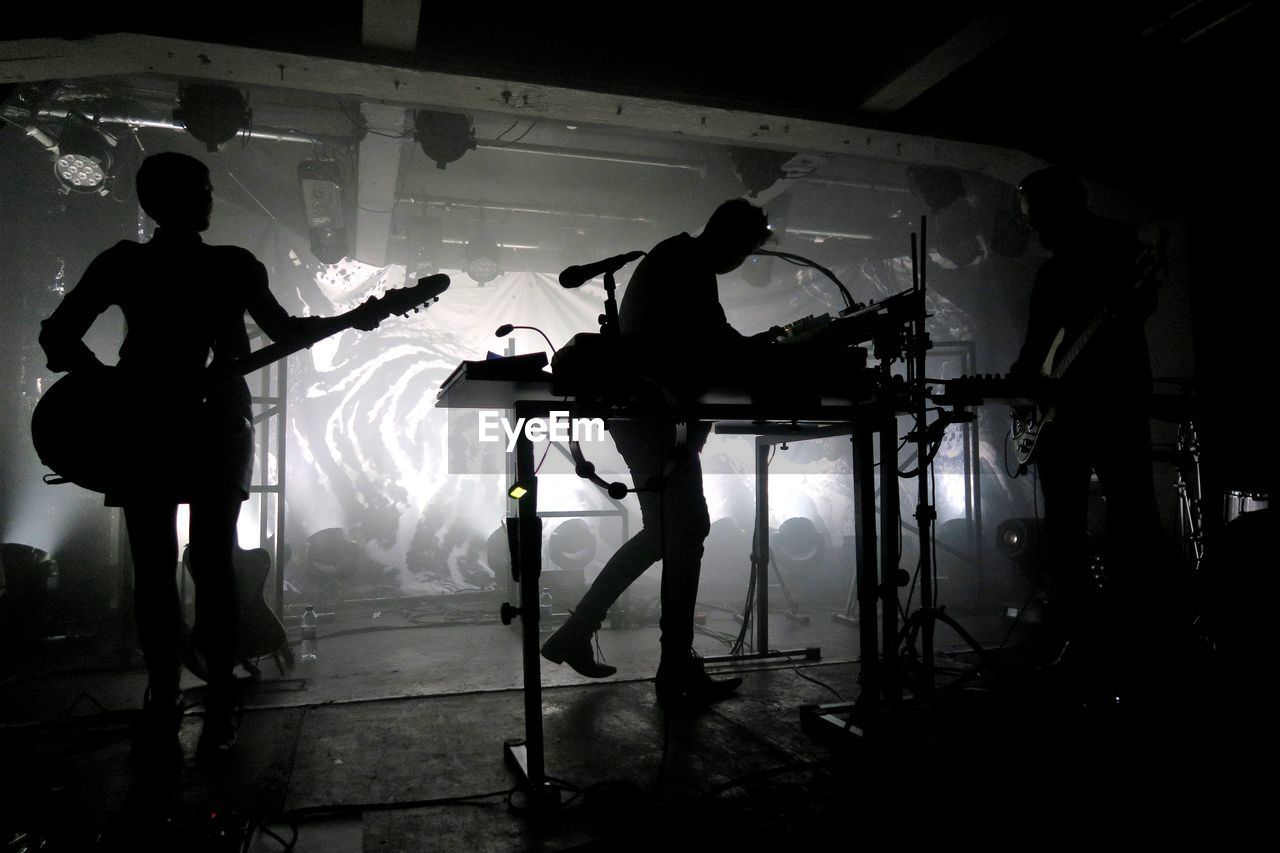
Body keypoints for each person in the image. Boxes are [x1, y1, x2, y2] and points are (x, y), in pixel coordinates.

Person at [39, 151, 371, 773]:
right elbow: (284, 330)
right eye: (202, 188)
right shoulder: (230, 265)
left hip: (151, 423)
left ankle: (165, 693)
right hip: (214, 418)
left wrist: (111, 386)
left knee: (158, 564)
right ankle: (216, 699)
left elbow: (58, 336)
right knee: (210, 562)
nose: (210, 198)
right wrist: (353, 321)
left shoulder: (126, 263)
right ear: (174, 198)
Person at [540, 198, 776, 707]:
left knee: (671, 531)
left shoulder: (680, 258)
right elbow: (714, 341)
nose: (743, 261)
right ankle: (671, 667)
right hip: (650, 416)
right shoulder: (686, 262)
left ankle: (593, 636)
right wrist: (772, 351)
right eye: (748, 248)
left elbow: (705, 340)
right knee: (684, 530)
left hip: (649, 416)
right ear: (733, 239)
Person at [1009, 167, 1167, 703]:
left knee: (1120, 522)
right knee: (1084, 527)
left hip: (1108, 404)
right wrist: (1022, 390)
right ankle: (1094, 641)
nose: (1032, 231)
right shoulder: (1052, 273)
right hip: (1069, 410)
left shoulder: (1120, 253)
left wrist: (1023, 386)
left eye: (1035, 219)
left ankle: (1126, 641)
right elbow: (1036, 346)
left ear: (1061, 210)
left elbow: (1135, 306)